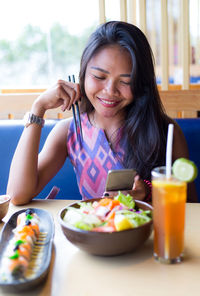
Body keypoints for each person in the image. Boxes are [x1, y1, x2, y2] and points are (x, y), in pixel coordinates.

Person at [7, 21, 197, 205]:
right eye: (99, 77)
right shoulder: (70, 131)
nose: (110, 90)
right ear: (83, 73)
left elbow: (189, 204)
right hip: (92, 234)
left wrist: (147, 192)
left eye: (125, 81)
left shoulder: (165, 130)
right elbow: (17, 195)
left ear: (140, 83)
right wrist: (38, 108)